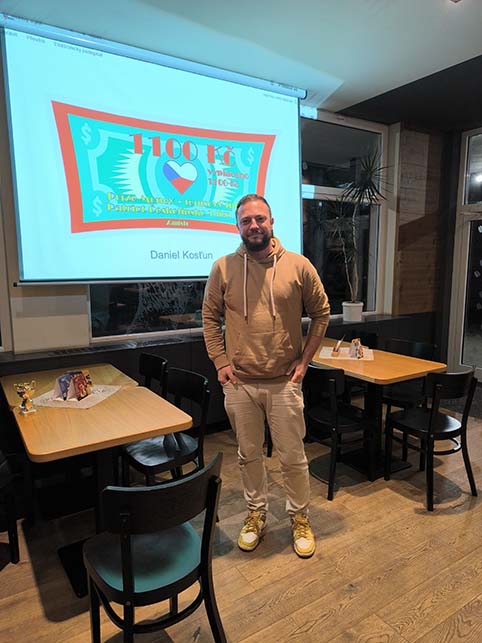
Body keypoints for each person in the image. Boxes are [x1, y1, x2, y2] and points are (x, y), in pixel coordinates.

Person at [202, 194, 330, 558]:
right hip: (240, 384)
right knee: (248, 456)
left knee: (293, 458)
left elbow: (321, 313)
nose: (254, 226)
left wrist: (304, 361)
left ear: (271, 222)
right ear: (238, 226)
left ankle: (299, 518)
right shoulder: (223, 268)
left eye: (260, 219)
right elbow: (209, 317)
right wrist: (220, 362)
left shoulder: (299, 266)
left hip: (284, 383)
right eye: (246, 221)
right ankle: (255, 514)